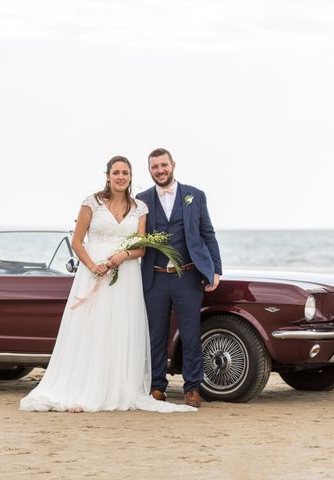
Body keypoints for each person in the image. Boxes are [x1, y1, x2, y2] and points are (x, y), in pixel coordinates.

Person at [20, 156, 195, 413]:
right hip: (94, 273)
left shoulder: (140, 208)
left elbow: (141, 248)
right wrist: (94, 266)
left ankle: (117, 387)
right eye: (116, 172)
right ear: (108, 175)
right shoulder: (92, 203)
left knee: (121, 330)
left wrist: (123, 256)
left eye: (125, 172)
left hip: (126, 276)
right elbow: (78, 242)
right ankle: (84, 388)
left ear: (131, 176)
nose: (121, 177)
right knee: (92, 328)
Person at [136, 148, 222, 408]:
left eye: (163, 165)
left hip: (187, 276)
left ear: (173, 165)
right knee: (156, 334)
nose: (160, 170)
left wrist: (215, 269)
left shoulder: (195, 196)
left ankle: (192, 388)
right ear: (149, 170)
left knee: (190, 333)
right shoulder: (141, 200)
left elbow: (208, 233)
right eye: (154, 167)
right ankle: (157, 387)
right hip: (155, 277)